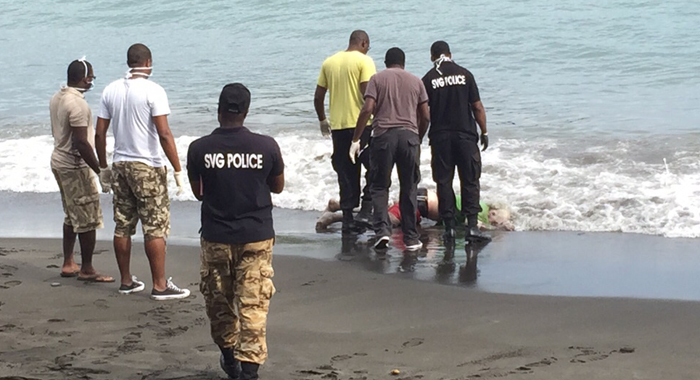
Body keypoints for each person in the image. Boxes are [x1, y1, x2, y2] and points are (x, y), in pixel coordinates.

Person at [187, 83, 284, 380]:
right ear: (246, 111)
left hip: (216, 235)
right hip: (256, 234)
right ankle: (249, 371)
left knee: (219, 302)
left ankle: (230, 359)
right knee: (253, 303)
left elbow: (198, 193)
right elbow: (277, 186)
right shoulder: (266, 146)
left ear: (218, 110)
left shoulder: (199, 148)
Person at [95, 43, 189, 300]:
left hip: (121, 164)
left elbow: (100, 133)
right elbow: (164, 133)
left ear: (129, 62)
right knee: (155, 226)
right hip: (147, 166)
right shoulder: (153, 90)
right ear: (148, 62)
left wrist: (103, 167)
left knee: (123, 224)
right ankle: (159, 284)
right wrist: (178, 169)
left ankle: (126, 280)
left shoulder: (110, 90)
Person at [350, 47, 430, 251]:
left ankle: (382, 232)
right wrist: (417, 137)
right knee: (409, 187)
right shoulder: (416, 81)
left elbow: (367, 108)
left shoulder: (377, 79)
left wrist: (356, 138)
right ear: (403, 63)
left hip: (383, 137)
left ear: (386, 62)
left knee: (379, 186)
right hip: (409, 137)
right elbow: (426, 115)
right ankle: (411, 238)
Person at [49, 58, 113, 283]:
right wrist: (99, 170)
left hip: (58, 160)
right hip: (74, 166)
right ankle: (87, 268)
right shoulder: (78, 105)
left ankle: (68, 262)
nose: (92, 81)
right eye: (92, 77)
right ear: (85, 79)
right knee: (88, 217)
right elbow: (81, 143)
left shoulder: (57, 97)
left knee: (71, 213)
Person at [421, 40, 489, 243]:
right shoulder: (465, 74)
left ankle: (449, 228)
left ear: (433, 57)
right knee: (470, 180)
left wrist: (420, 135)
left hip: (441, 138)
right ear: (450, 54)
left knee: (444, 182)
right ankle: (471, 227)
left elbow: (424, 113)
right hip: (465, 136)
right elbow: (477, 107)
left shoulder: (429, 79)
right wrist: (484, 131)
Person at [314, 30, 376, 232]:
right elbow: (368, 94)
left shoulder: (329, 62)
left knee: (345, 171)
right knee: (372, 167)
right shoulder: (364, 61)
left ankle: (348, 217)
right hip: (362, 125)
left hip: (339, 127)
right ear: (364, 43)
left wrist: (323, 119)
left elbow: (318, 96)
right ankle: (366, 210)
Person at [316, 188, 513, 231]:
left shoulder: (475, 206)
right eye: (495, 220)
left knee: (381, 211)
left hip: (421, 201)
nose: (492, 223)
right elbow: (476, 223)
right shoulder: (479, 207)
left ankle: (338, 205)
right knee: (383, 221)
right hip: (420, 202)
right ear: (492, 213)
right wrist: (494, 230)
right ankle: (335, 217)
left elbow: (446, 218)